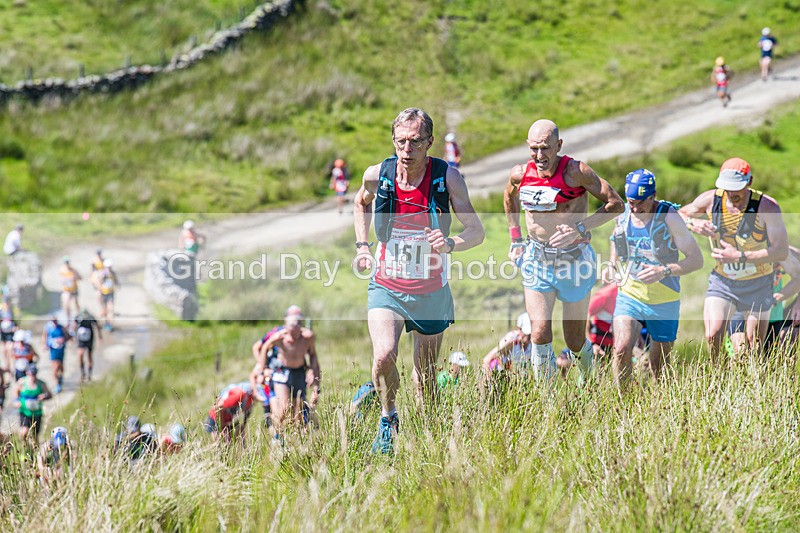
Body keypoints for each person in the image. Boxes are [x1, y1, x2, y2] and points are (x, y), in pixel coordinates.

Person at [353, 107, 485, 454]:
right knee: (383, 355)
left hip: (431, 292)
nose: (406, 149)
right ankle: (388, 418)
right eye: (400, 141)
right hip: (387, 286)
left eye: (414, 141)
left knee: (425, 378)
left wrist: (452, 242)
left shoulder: (448, 178)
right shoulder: (377, 174)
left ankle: (430, 436)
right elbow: (360, 203)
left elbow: (477, 231)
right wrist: (363, 246)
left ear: (429, 142)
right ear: (393, 141)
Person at [505, 119, 624, 384]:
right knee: (539, 331)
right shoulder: (520, 173)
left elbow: (616, 204)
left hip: (575, 261)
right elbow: (509, 197)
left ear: (558, 145)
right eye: (534, 148)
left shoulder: (576, 172)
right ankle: (545, 402)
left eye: (546, 148)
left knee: (574, 340)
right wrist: (515, 239)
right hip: (537, 259)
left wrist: (580, 228)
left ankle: (588, 385)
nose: (539, 155)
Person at [679, 157, 788, 360]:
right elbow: (679, 214)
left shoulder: (767, 207)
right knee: (712, 334)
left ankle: (752, 383)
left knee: (753, 345)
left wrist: (739, 256)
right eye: (727, 188)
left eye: (736, 188)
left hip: (758, 283)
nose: (732, 194)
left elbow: (781, 251)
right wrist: (694, 224)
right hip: (723, 281)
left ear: (750, 182)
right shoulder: (711, 200)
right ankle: (717, 380)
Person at [606, 169, 704, 385]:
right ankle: (623, 406)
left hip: (664, 299)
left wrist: (664, 270)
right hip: (630, 294)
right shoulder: (623, 213)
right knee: (621, 347)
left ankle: (659, 405)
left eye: (641, 202)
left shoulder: (668, 216)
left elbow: (696, 260)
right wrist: (612, 264)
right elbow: (616, 238)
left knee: (659, 366)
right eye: (631, 201)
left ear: (653, 195)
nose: (635, 208)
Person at [254, 307, 321, 438]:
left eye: (296, 334)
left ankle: (298, 439)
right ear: (285, 328)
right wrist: (263, 370)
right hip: (281, 372)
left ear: (300, 328)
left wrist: (314, 376)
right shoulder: (278, 337)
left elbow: (313, 355)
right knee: (283, 408)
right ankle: (278, 439)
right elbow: (262, 349)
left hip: (299, 372)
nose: (293, 338)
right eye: (290, 333)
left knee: (299, 410)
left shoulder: (308, 337)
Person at [729, 245, 800, 354]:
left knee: (776, 354)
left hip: (773, 316)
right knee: (742, 352)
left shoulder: (780, 249)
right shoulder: (735, 247)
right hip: (741, 312)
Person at [481, 313, 532, 379]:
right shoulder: (511, 340)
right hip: (497, 374)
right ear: (519, 329)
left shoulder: (534, 341)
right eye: (527, 333)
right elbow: (486, 359)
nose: (529, 335)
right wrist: (487, 380)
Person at [12, 363, 52, 444]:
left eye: (34, 374)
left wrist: (45, 396)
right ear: (27, 373)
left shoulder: (41, 384)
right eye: (31, 374)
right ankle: (25, 447)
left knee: (35, 436)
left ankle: (34, 451)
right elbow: (15, 391)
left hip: (36, 413)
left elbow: (50, 394)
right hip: (25, 412)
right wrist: (17, 401)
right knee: (23, 433)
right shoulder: (22, 382)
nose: (32, 376)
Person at [43, 315, 71, 394]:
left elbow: (68, 336)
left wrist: (63, 340)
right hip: (53, 350)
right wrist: (45, 345)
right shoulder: (48, 328)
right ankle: (57, 384)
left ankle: (60, 378)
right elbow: (45, 336)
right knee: (55, 367)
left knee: (60, 365)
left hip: (61, 350)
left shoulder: (61, 328)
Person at [74, 308, 102, 383]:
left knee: (89, 356)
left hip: (89, 339)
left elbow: (97, 325)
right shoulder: (78, 317)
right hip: (81, 339)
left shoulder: (91, 317)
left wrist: (100, 337)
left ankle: (89, 375)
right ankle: (82, 373)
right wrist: (73, 336)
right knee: (80, 355)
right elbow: (74, 325)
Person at [94, 258, 118, 331]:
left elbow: (116, 281)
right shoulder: (101, 273)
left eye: (110, 267)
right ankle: (106, 323)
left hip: (110, 293)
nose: (109, 268)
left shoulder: (112, 273)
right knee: (104, 310)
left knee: (111, 309)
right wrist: (102, 277)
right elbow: (97, 282)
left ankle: (110, 324)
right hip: (103, 293)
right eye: (108, 267)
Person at [58, 256, 82, 325]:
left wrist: (75, 278)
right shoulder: (62, 270)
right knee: (66, 304)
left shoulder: (73, 270)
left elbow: (80, 277)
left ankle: (78, 316)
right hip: (66, 290)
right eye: (65, 262)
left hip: (74, 289)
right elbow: (61, 280)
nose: (67, 264)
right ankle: (68, 319)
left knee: (76, 303)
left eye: (67, 262)